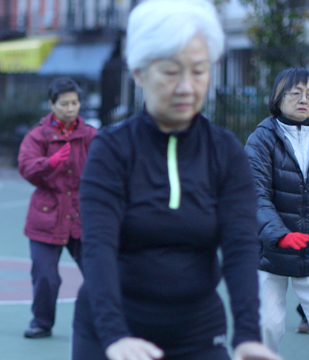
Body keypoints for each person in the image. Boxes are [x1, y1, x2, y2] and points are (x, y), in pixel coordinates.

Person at [72, 1, 281, 359]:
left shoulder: (225, 151)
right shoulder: (111, 149)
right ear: (138, 73)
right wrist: (115, 336)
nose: (186, 86)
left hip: (197, 332)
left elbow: (240, 246)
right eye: (170, 72)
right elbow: (97, 246)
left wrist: (248, 334)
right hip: (112, 327)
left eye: (199, 71)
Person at [18, 77, 97, 338]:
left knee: (100, 272)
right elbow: (26, 166)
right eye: (64, 103)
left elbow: (108, 165)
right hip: (47, 216)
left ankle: (106, 321)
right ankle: (42, 322)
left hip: (82, 215)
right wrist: (49, 163)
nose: (71, 108)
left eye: (75, 103)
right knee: (45, 276)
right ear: (52, 104)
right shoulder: (38, 135)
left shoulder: (89, 135)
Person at [244, 67, 309, 353]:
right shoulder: (262, 139)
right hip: (270, 251)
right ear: (278, 97)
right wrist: (279, 234)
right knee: (268, 325)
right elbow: (255, 195)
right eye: (296, 93)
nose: (303, 99)